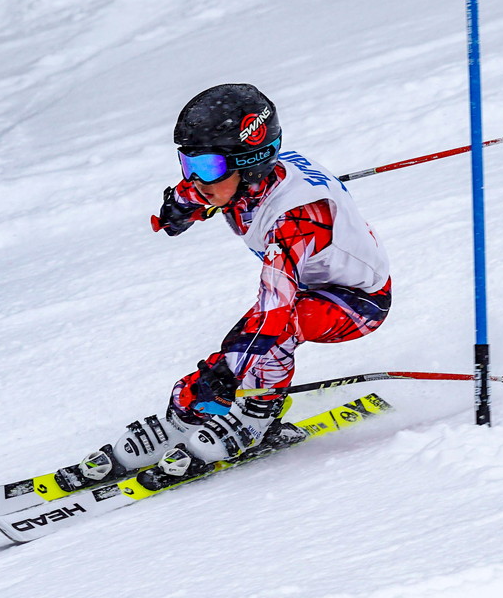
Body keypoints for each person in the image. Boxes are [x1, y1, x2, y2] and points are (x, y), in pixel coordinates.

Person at [55, 84, 391, 492]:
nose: (196, 179)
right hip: (307, 288)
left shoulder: (296, 218)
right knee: (234, 356)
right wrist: (183, 203)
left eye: (209, 168)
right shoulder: (250, 179)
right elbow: (214, 190)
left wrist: (221, 376)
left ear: (250, 163)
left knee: (266, 335)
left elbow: (273, 313)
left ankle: (256, 417)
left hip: (355, 302)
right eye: (187, 164)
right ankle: (186, 421)